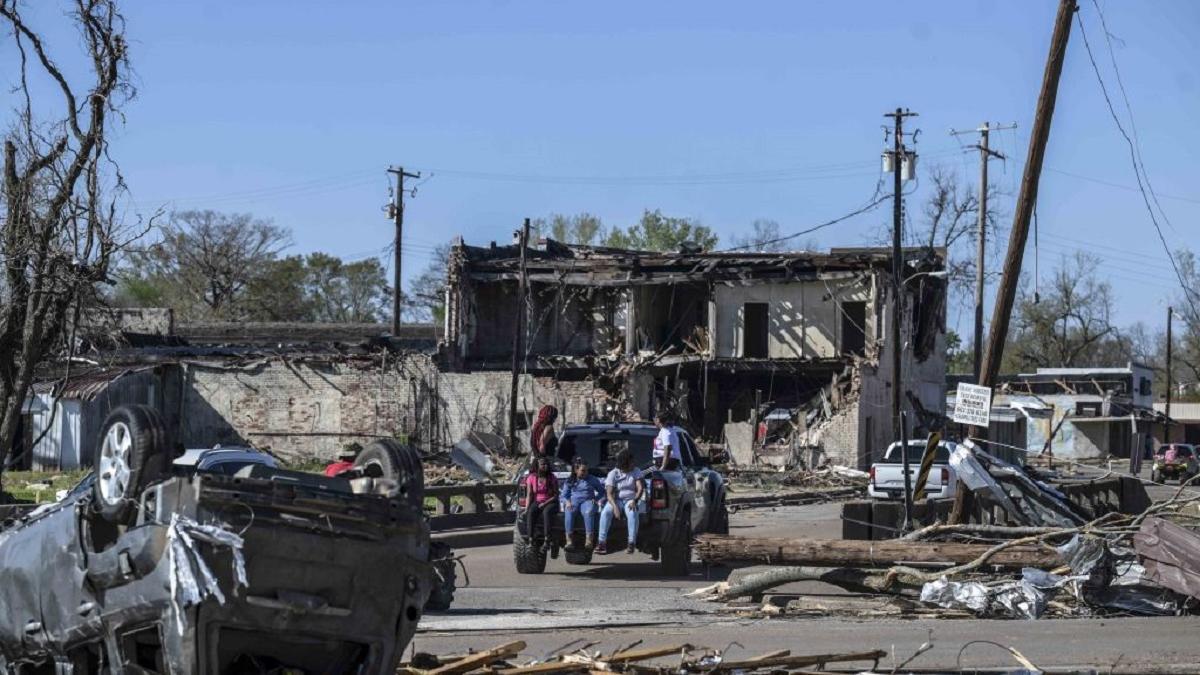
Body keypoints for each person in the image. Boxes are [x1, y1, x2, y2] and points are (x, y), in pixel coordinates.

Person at [597, 448, 644, 555]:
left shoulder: (636, 471)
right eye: (631, 461)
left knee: (632, 513)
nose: (634, 463)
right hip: (616, 500)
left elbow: (640, 488)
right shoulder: (613, 473)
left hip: (630, 500)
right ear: (625, 462)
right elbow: (609, 494)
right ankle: (601, 543)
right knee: (605, 513)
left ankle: (631, 542)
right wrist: (615, 508)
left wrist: (635, 501)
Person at [561, 456, 604, 551]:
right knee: (569, 511)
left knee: (588, 512)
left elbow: (602, 491)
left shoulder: (592, 479)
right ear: (576, 470)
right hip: (574, 501)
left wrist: (596, 499)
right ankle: (569, 541)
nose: (585, 473)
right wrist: (567, 502)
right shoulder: (570, 480)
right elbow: (563, 495)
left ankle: (589, 540)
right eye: (583, 470)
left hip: (588, 501)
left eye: (586, 470)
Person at [523, 455, 560, 552]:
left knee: (546, 513)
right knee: (531, 512)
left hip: (551, 501)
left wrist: (544, 504)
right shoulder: (531, 478)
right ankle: (530, 539)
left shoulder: (552, 477)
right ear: (537, 465)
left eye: (546, 464)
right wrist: (526, 508)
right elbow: (529, 495)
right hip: (538, 501)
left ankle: (547, 539)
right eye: (543, 464)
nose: (545, 466)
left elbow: (556, 496)